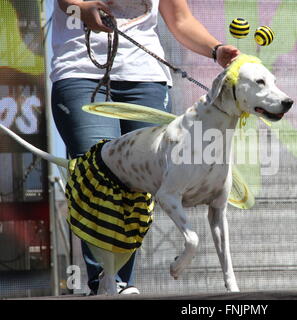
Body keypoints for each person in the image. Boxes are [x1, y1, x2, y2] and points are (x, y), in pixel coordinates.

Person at [50, 0, 239, 295]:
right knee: (98, 174)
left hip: (146, 79)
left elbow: (180, 18)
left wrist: (217, 51)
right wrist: (82, 7)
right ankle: (106, 281)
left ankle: (123, 283)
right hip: (80, 73)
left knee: (139, 182)